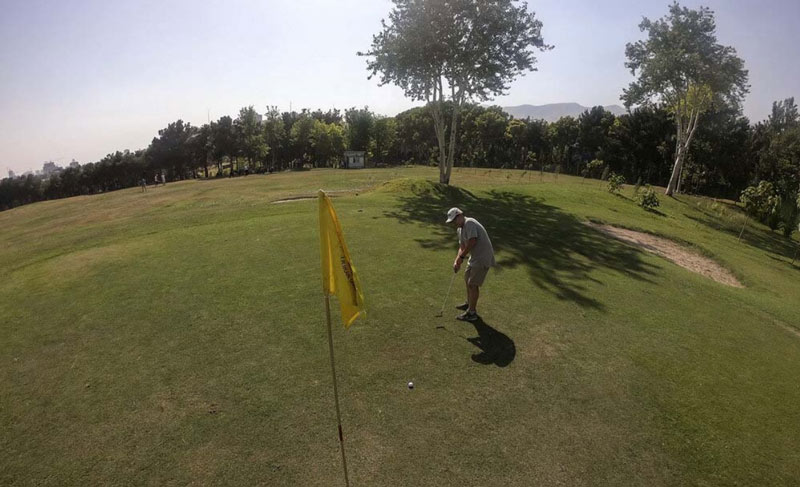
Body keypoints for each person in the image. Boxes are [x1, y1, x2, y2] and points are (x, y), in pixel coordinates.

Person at [446, 207, 495, 321]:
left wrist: (462, 257)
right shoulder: (460, 229)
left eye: (454, 220)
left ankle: (472, 313)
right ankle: (469, 303)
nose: (453, 223)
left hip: (483, 257)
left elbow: (472, 241)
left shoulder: (469, 223)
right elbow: (462, 246)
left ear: (460, 215)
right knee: (467, 278)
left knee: (473, 284)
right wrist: (457, 260)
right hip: (475, 257)